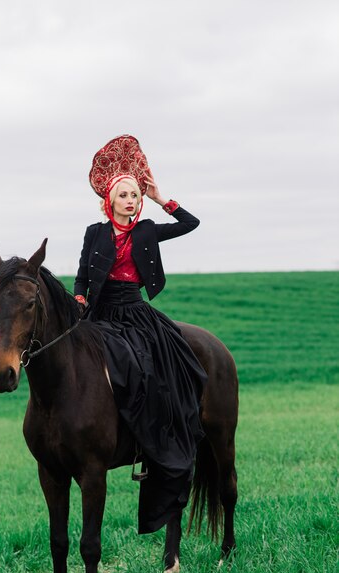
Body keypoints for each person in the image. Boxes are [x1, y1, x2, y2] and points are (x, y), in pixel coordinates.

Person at [74, 135, 207, 534]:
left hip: (135, 311)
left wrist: (160, 196)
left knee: (153, 364)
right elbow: (82, 274)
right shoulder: (95, 233)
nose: (132, 201)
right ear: (110, 201)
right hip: (100, 312)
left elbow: (190, 223)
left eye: (135, 195)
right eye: (125, 195)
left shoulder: (147, 230)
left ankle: (152, 439)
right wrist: (79, 298)